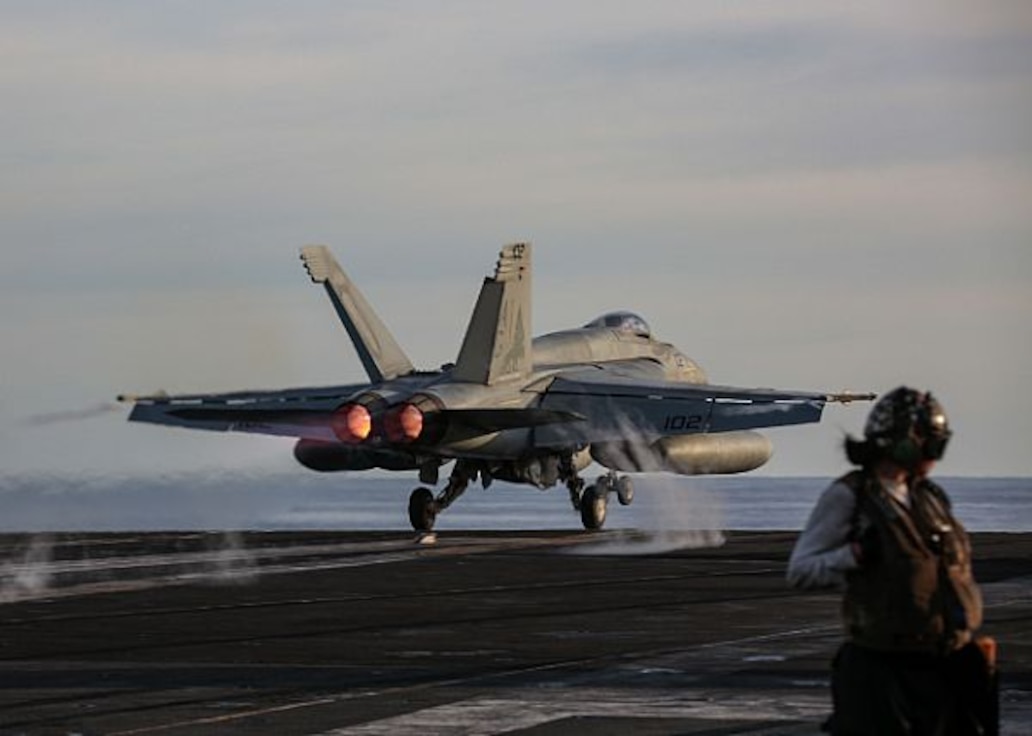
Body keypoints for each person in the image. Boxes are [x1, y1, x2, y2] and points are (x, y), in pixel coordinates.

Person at [788, 387, 996, 735]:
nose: (935, 456)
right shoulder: (850, 496)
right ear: (904, 441)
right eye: (932, 444)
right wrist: (852, 557)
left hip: (947, 665)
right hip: (883, 673)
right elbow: (801, 570)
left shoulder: (929, 497)